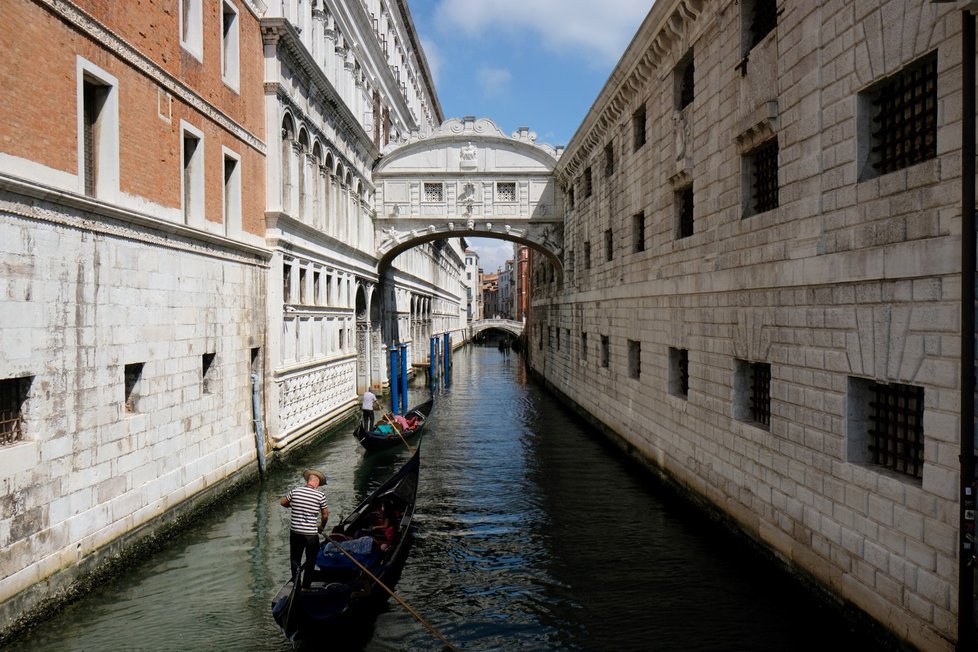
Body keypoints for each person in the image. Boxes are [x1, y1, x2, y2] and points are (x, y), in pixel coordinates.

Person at [280, 469, 330, 589]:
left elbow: (282, 502)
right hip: (311, 535)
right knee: (311, 560)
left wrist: (291, 505)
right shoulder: (320, 495)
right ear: (317, 483)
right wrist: (322, 527)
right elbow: (325, 515)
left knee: (295, 559)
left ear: (308, 481)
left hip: (295, 532)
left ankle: (296, 585)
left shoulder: (295, 491)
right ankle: (306, 586)